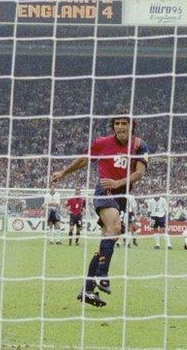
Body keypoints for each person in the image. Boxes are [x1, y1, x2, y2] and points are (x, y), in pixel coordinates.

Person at [49, 115, 149, 307]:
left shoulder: (139, 145)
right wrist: (63, 173)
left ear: (131, 126)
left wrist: (118, 183)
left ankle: (87, 289)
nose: (120, 127)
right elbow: (84, 160)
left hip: (122, 196)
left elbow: (139, 173)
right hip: (104, 190)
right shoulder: (103, 143)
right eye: (117, 124)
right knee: (114, 227)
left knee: (109, 238)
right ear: (113, 127)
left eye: (124, 123)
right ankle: (102, 275)